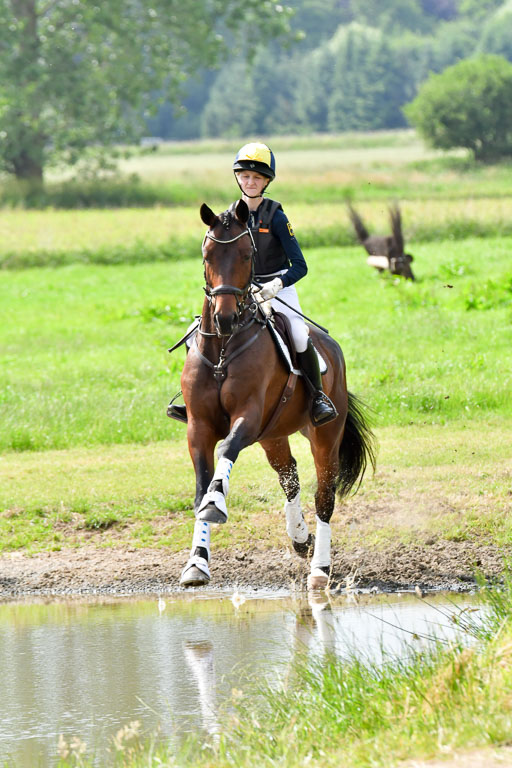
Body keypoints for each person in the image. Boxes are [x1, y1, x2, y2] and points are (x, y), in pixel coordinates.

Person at [168, 141, 337, 427]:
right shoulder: (227, 218)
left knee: (297, 333)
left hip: (277, 288)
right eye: (245, 176)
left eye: (256, 178)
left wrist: (275, 285)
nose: (250, 182)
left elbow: (301, 266)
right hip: (238, 292)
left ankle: (318, 397)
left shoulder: (277, 217)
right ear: (237, 178)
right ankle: (192, 399)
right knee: (193, 332)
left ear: (266, 181)